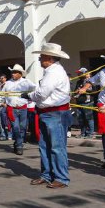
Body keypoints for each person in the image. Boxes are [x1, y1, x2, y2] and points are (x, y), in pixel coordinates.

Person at [25, 43, 72, 189]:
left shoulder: (54, 73)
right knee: (45, 146)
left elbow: (41, 93)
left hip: (55, 113)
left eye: (42, 56)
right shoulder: (52, 71)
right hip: (49, 113)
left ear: (49, 58)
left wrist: (28, 95)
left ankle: (61, 177)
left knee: (57, 147)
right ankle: (47, 174)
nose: (39, 59)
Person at [2, 65, 36, 155]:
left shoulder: (26, 82)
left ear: (20, 74)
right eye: (12, 72)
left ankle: (17, 143)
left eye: (15, 72)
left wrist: (30, 96)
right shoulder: (8, 83)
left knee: (23, 127)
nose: (13, 74)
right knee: (16, 127)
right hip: (12, 108)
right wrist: (0, 102)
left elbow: (35, 88)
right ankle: (20, 145)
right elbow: (2, 93)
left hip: (23, 108)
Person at [73, 68, 96, 139]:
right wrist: (76, 91)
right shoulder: (79, 82)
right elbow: (75, 91)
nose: (78, 75)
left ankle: (91, 134)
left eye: (80, 73)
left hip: (87, 102)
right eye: (78, 73)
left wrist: (84, 90)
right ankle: (83, 133)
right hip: (79, 102)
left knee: (89, 118)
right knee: (80, 119)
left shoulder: (90, 81)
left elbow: (94, 91)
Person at [0, 74, 10, 140]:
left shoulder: (8, 85)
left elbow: (9, 95)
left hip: (7, 105)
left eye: (2, 78)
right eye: (0, 78)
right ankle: (3, 135)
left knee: (8, 121)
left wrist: (6, 103)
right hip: (0, 105)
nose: (1, 79)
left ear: (5, 78)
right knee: (1, 122)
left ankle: (9, 135)